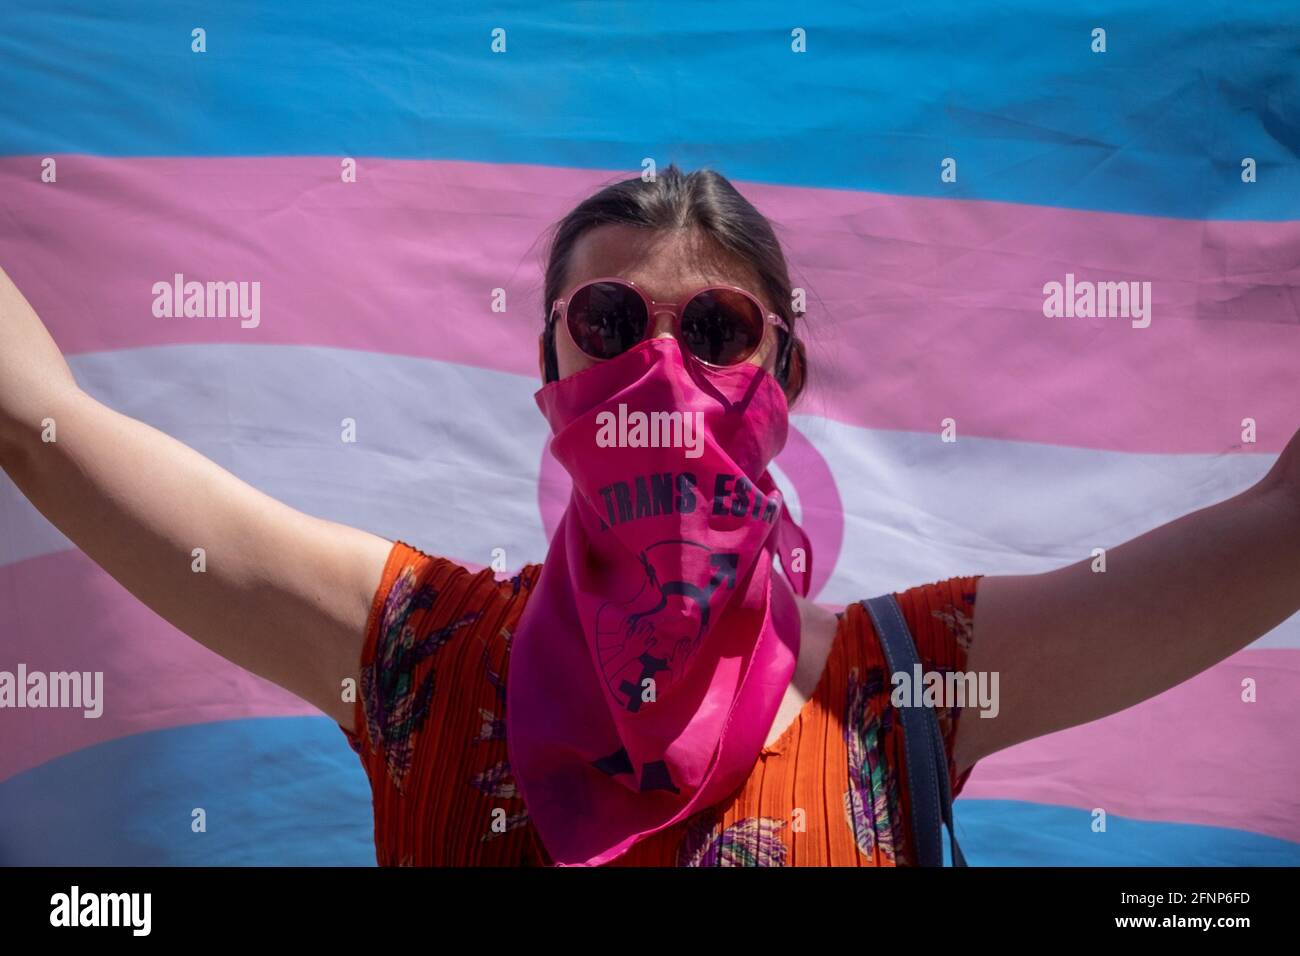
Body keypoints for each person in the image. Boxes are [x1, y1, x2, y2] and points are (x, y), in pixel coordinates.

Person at [1, 165, 1297, 866]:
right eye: (612, 325)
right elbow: (37, 427)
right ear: (552, 380)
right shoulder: (418, 651)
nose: (663, 375)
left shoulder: (907, 684)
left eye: (718, 329)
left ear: (781, 377)